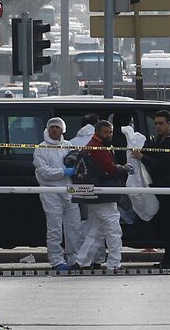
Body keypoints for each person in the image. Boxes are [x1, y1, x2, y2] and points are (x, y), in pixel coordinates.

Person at [131, 110, 170, 269]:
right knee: (166, 226)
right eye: (155, 123)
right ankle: (169, 258)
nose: (157, 126)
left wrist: (143, 158)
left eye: (161, 123)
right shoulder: (160, 140)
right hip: (163, 190)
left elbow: (163, 165)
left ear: (169, 124)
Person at [73, 120, 131, 270]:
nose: (109, 135)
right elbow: (109, 169)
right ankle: (114, 263)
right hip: (104, 193)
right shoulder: (98, 148)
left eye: (110, 132)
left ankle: (83, 261)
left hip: (95, 193)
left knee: (95, 229)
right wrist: (123, 168)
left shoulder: (92, 145)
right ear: (98, 132)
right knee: (113, 229)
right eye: (106, 132)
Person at [33, 117, 83, 270]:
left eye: (57, 127)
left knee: (74, 226)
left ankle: (74, 258)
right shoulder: (41, 148)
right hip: (50, 191)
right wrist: (63, 172)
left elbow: (77, 162)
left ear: (63, 130)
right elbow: (43, 172)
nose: (54, 129)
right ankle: (56, 260)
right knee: (55, 227)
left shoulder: (68, 145)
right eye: (52, 127)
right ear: (48, 129)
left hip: (68, 190)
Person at [68, 114, 106, 268]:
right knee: (100, 224)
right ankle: (98, 259)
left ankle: (83, 258)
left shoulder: (71, 142)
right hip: (99, 187)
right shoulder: (100, 143)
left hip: (79, 187)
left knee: (84, 223)